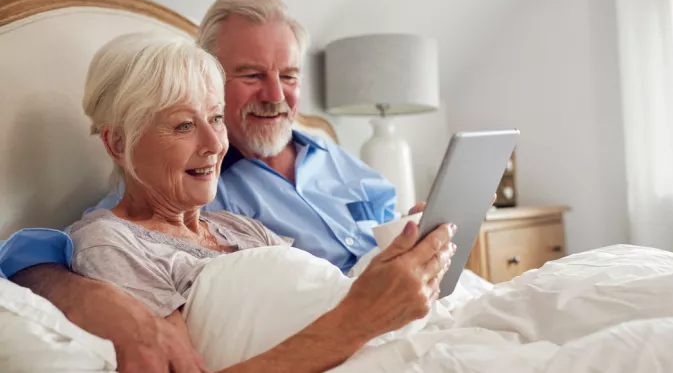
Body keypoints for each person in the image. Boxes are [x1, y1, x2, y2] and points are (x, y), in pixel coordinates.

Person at [69, 32, 455, 372]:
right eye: (184, 125)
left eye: (216, 118)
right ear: (118, 143)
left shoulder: (238, 226)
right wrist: (365, 317)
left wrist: (405, 257)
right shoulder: (111, 243)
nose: (216, 144)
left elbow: (325, 294)